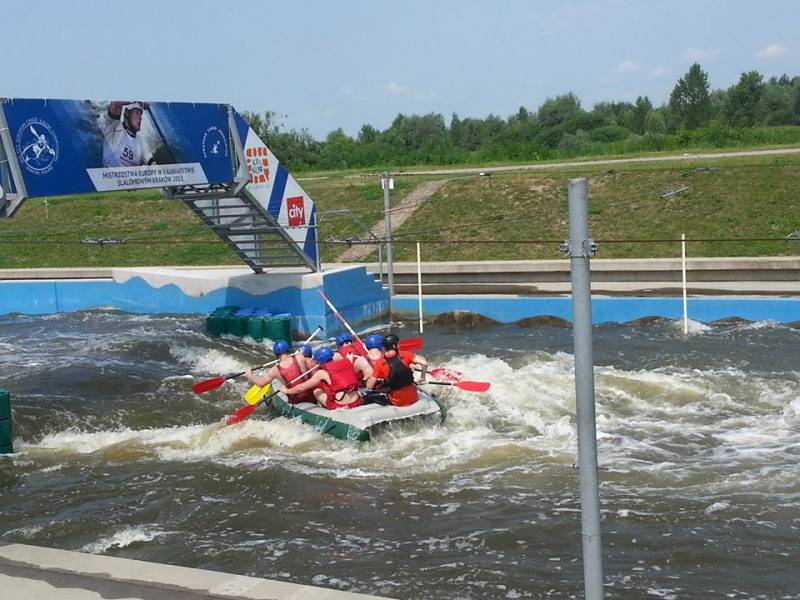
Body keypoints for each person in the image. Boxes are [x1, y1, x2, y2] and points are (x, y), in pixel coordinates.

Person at [283, 346, 363, 409]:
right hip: (357, 400)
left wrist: (287, 391)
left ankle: (325, 409)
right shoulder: (347, 362)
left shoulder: (321, 373)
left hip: (340, 405)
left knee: (316, 390)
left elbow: (301, 387)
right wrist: (349, 359)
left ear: (319, 361)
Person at [366, 333, 428, 407]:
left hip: (398, 401)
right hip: (413, 397)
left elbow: (369, 386)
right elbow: (424, 363)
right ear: (394, 346)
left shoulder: (380, 363)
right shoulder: (405, 354)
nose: (399, 346)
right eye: (398, 344)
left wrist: (368, 379)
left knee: (368, 396)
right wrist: (423, 377)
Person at [244, 340, 315, 405]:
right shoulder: (300, 357)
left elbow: (261, 383)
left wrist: (250, 376)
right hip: (312, 396)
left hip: (296, 400)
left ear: (276, 354)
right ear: (288, 350)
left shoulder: (274, 370)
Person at [102, 101, 156, 167]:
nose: (140, 118)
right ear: (127, 113)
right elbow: (116, 103)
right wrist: (138, 100)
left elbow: (151, 161)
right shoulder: (113, 127)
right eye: (137, 113)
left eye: (141, 114)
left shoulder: (141, 142)